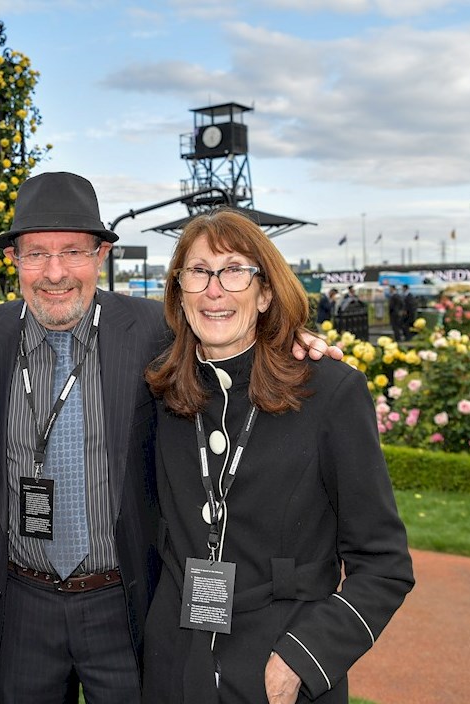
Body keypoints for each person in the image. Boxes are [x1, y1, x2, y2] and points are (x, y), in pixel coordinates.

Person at [0, 173, 341, 704]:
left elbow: (227, 335)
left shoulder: (155, 333)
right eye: (35, 253)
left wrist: (289, 340)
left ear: (101, 254)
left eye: (73, 251)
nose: (54, 273)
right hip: (19, 605)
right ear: (13, 260)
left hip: (123, 603)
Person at [142, 209, 413, 704]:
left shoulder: (330, 392)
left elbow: (385, 564)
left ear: (266, 292)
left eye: (235, 270)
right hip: (174, 668)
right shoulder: (161, 390)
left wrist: (303, 659)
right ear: (179, 294)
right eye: (198, 272)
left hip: (281, 674)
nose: (214, 290)